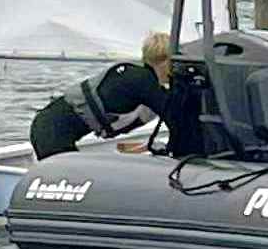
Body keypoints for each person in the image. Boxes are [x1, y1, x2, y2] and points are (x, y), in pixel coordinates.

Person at [30, 32, 197, 158]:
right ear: (166, 60)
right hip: (51, 132)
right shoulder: (143, 80)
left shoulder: (136, 74)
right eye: (174, 62)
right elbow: (174, 119)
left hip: (46, 125)